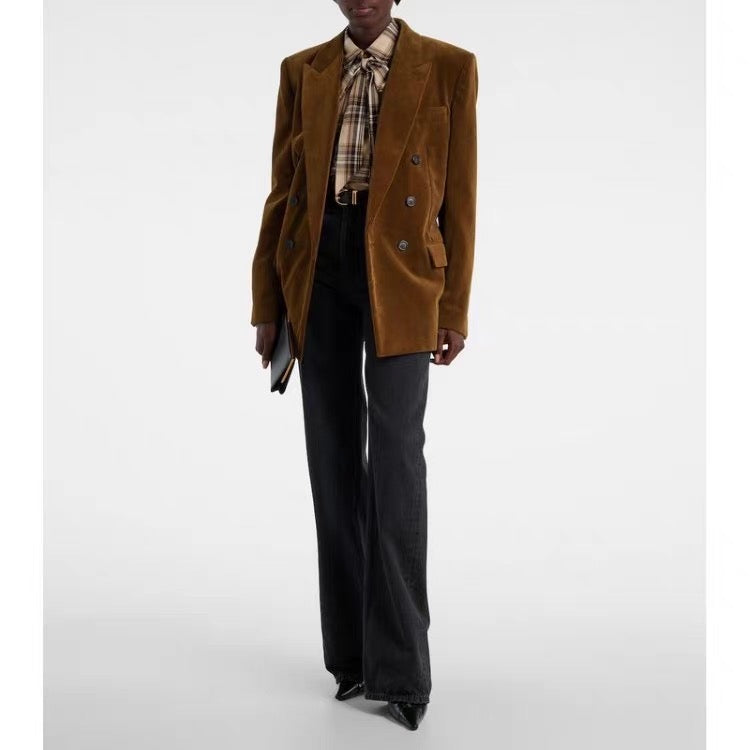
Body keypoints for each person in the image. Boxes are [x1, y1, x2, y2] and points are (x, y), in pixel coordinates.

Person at [249, 0, 478, 731]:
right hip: (317, 269)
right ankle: (350, 657)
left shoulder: (448, 67)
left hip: (404, 276)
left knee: (397, 461)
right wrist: (268, 302)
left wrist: (453, 309)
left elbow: (462, 198)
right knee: (333, 457)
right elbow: (283, 192)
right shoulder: (304, 70)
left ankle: (403, 670)